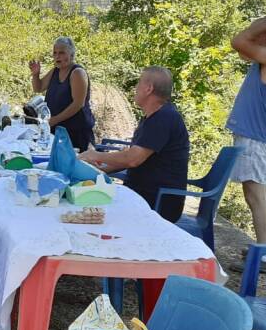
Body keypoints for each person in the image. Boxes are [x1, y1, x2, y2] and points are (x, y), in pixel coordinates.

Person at [225, 16, 266, 274]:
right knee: (263, 191)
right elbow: (243, 48)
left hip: (253, 137)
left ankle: (263, 256)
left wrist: (262, 25)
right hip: (258, 135)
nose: (255, 40)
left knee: (254, 193)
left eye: (261, 36)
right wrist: (260, 28)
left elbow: (238, 41)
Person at [79, 67, 189, 223]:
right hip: (143, 193)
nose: (135, 88)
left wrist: (94, 155)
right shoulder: (154, 117)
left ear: (149, 88)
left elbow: (133, 159)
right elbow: (136, 160)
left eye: (138, 83)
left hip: (158, 201)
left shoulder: (163, 118)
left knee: (88, 212)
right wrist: (99, 170)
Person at [29, 36, 96, 151]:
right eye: (54, 53)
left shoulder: (77, 73)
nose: (57, 56)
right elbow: (38, 88)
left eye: (61, 53)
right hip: (57, 131)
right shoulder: (55, 71)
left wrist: (54, 120)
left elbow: (78, 104)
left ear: (71, 54)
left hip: (76, 133)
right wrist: (35, 74)